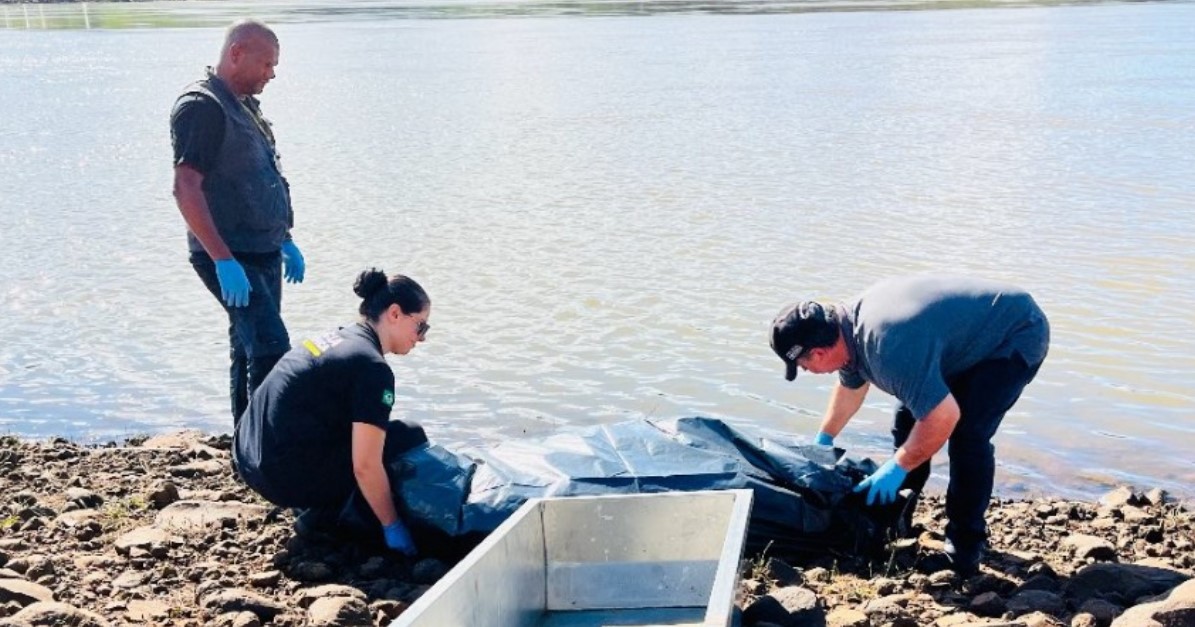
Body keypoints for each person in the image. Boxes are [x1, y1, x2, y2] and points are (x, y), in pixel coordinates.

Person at [769, 274, 1049, 576]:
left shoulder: (886, 346)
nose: (806, 371)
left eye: (802, 365)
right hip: (957, 340)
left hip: (1014, 333)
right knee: (907, 424)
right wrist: (823, 439)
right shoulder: (845, 332)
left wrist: (898, 465)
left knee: (968, 436)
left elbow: (943, 418)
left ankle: (965, 548)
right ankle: (895, 519)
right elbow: (851, 390)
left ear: (819, 353)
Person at [233, 269, 431, 555]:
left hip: (247, 456)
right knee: (407, 437)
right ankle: (322, 520)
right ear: (395, 314)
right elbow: (365, 465)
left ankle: (321, 504)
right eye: (421, 326)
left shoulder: (339, 337)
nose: (422, 338)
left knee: (370, 436)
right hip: (279, 477)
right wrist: (393, 524)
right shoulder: (373, 368)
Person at [170, 19, 305, 425]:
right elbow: (185, 188)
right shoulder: (202, 107)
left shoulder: (243, 104)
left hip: (262, 249)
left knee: (246, 347)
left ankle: (245, 450)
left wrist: (285, 238)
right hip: (231, 254)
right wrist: (222, 260)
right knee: (271, 347)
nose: (272, 74)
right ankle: (267, 448)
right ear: (236, 54)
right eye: (266, 64)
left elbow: (256, 175)